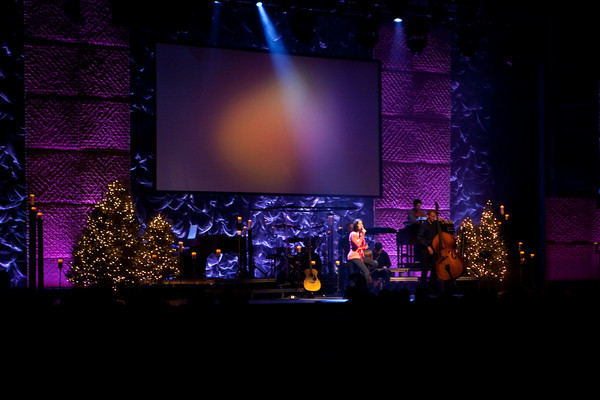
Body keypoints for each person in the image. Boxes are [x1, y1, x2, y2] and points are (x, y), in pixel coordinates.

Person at [347, 219, 377, 287]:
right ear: (356, 225)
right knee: (366, 272)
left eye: (362, 224)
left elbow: (361, 245)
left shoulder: (360, 235)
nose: (361, 225)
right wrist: (362, 235)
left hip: (360, 256)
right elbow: (357, 245)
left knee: (375, 264)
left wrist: (362, 236)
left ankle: (363, 274)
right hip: (354, 256)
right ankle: (366, 289)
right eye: (359, 224)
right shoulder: (353, 234)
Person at [416, 210, 439, 292]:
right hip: (425, 248)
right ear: (428, 216)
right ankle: (423, 287)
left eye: (434, 216)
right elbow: (420, 237)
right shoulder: (423, 225)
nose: (433, 218)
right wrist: (428, 247)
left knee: (434, 268)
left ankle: (432, 287)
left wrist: (441, 222)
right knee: (425, 268)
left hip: (434, 248)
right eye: (432, 216)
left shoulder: (435, 224)